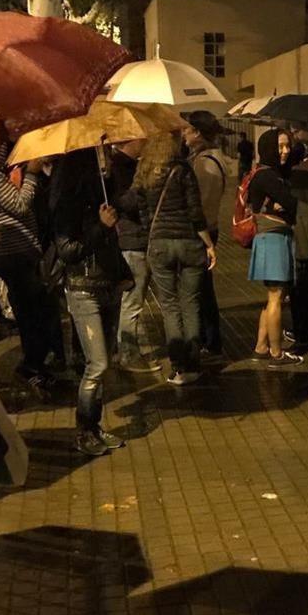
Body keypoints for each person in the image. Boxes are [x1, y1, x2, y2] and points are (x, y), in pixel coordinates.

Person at [52, 149, 134, 456]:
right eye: (99, 154)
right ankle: (83, 429)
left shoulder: (102, 192)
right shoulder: (65, 202)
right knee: (96, 363)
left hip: (108, 286)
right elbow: (68, 250)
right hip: (83, 287)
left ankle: (96, 427)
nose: (106, 157)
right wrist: (100, 227)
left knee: (104, 364)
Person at [0, 141, 63, 388]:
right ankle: (31, 366)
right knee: (32, 311)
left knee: (31, 309)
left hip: (15, 251)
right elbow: (20, 204)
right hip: (11, 253)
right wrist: (31, 173)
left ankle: (35, 364)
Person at [137, 133, 218, 385]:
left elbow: (141, 210)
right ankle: (194, 364)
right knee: (191, 304)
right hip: (188, 243)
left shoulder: (144, 171)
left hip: (159, 244)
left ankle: (178, 367)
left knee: (170, 307)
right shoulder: (183, 170)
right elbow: (195, 211)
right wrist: (209, 244)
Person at [248, 128, 303, 368]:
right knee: (276, 297)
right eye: (280, 146)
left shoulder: (269, 174)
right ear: (268, 147)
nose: (285, 151)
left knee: (272, 296)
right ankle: (277, 352)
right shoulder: (267, 176)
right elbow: (293, 202)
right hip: (273, 238)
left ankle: (261, 346)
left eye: (287, 146)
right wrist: (287, 203)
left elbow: (287, 203)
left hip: (271, 238)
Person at [108, 139, 161, 373]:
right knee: (133, 302)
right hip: (132, 240)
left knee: (130, 301)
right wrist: (142, 183)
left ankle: (122, 350)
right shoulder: (121, 167)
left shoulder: (125, 165)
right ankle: (129, 354)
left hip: (135, 239)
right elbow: (126, 202)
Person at [182, 111, 230, 356]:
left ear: (198, 133)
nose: (184, 134)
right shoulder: (213, 158)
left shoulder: (203, 163)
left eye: (187, 130)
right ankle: (210, 339)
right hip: (211, 227)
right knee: (203, 287)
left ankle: (210, 340)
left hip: (203, 231)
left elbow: (196, 202)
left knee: (200, 290)